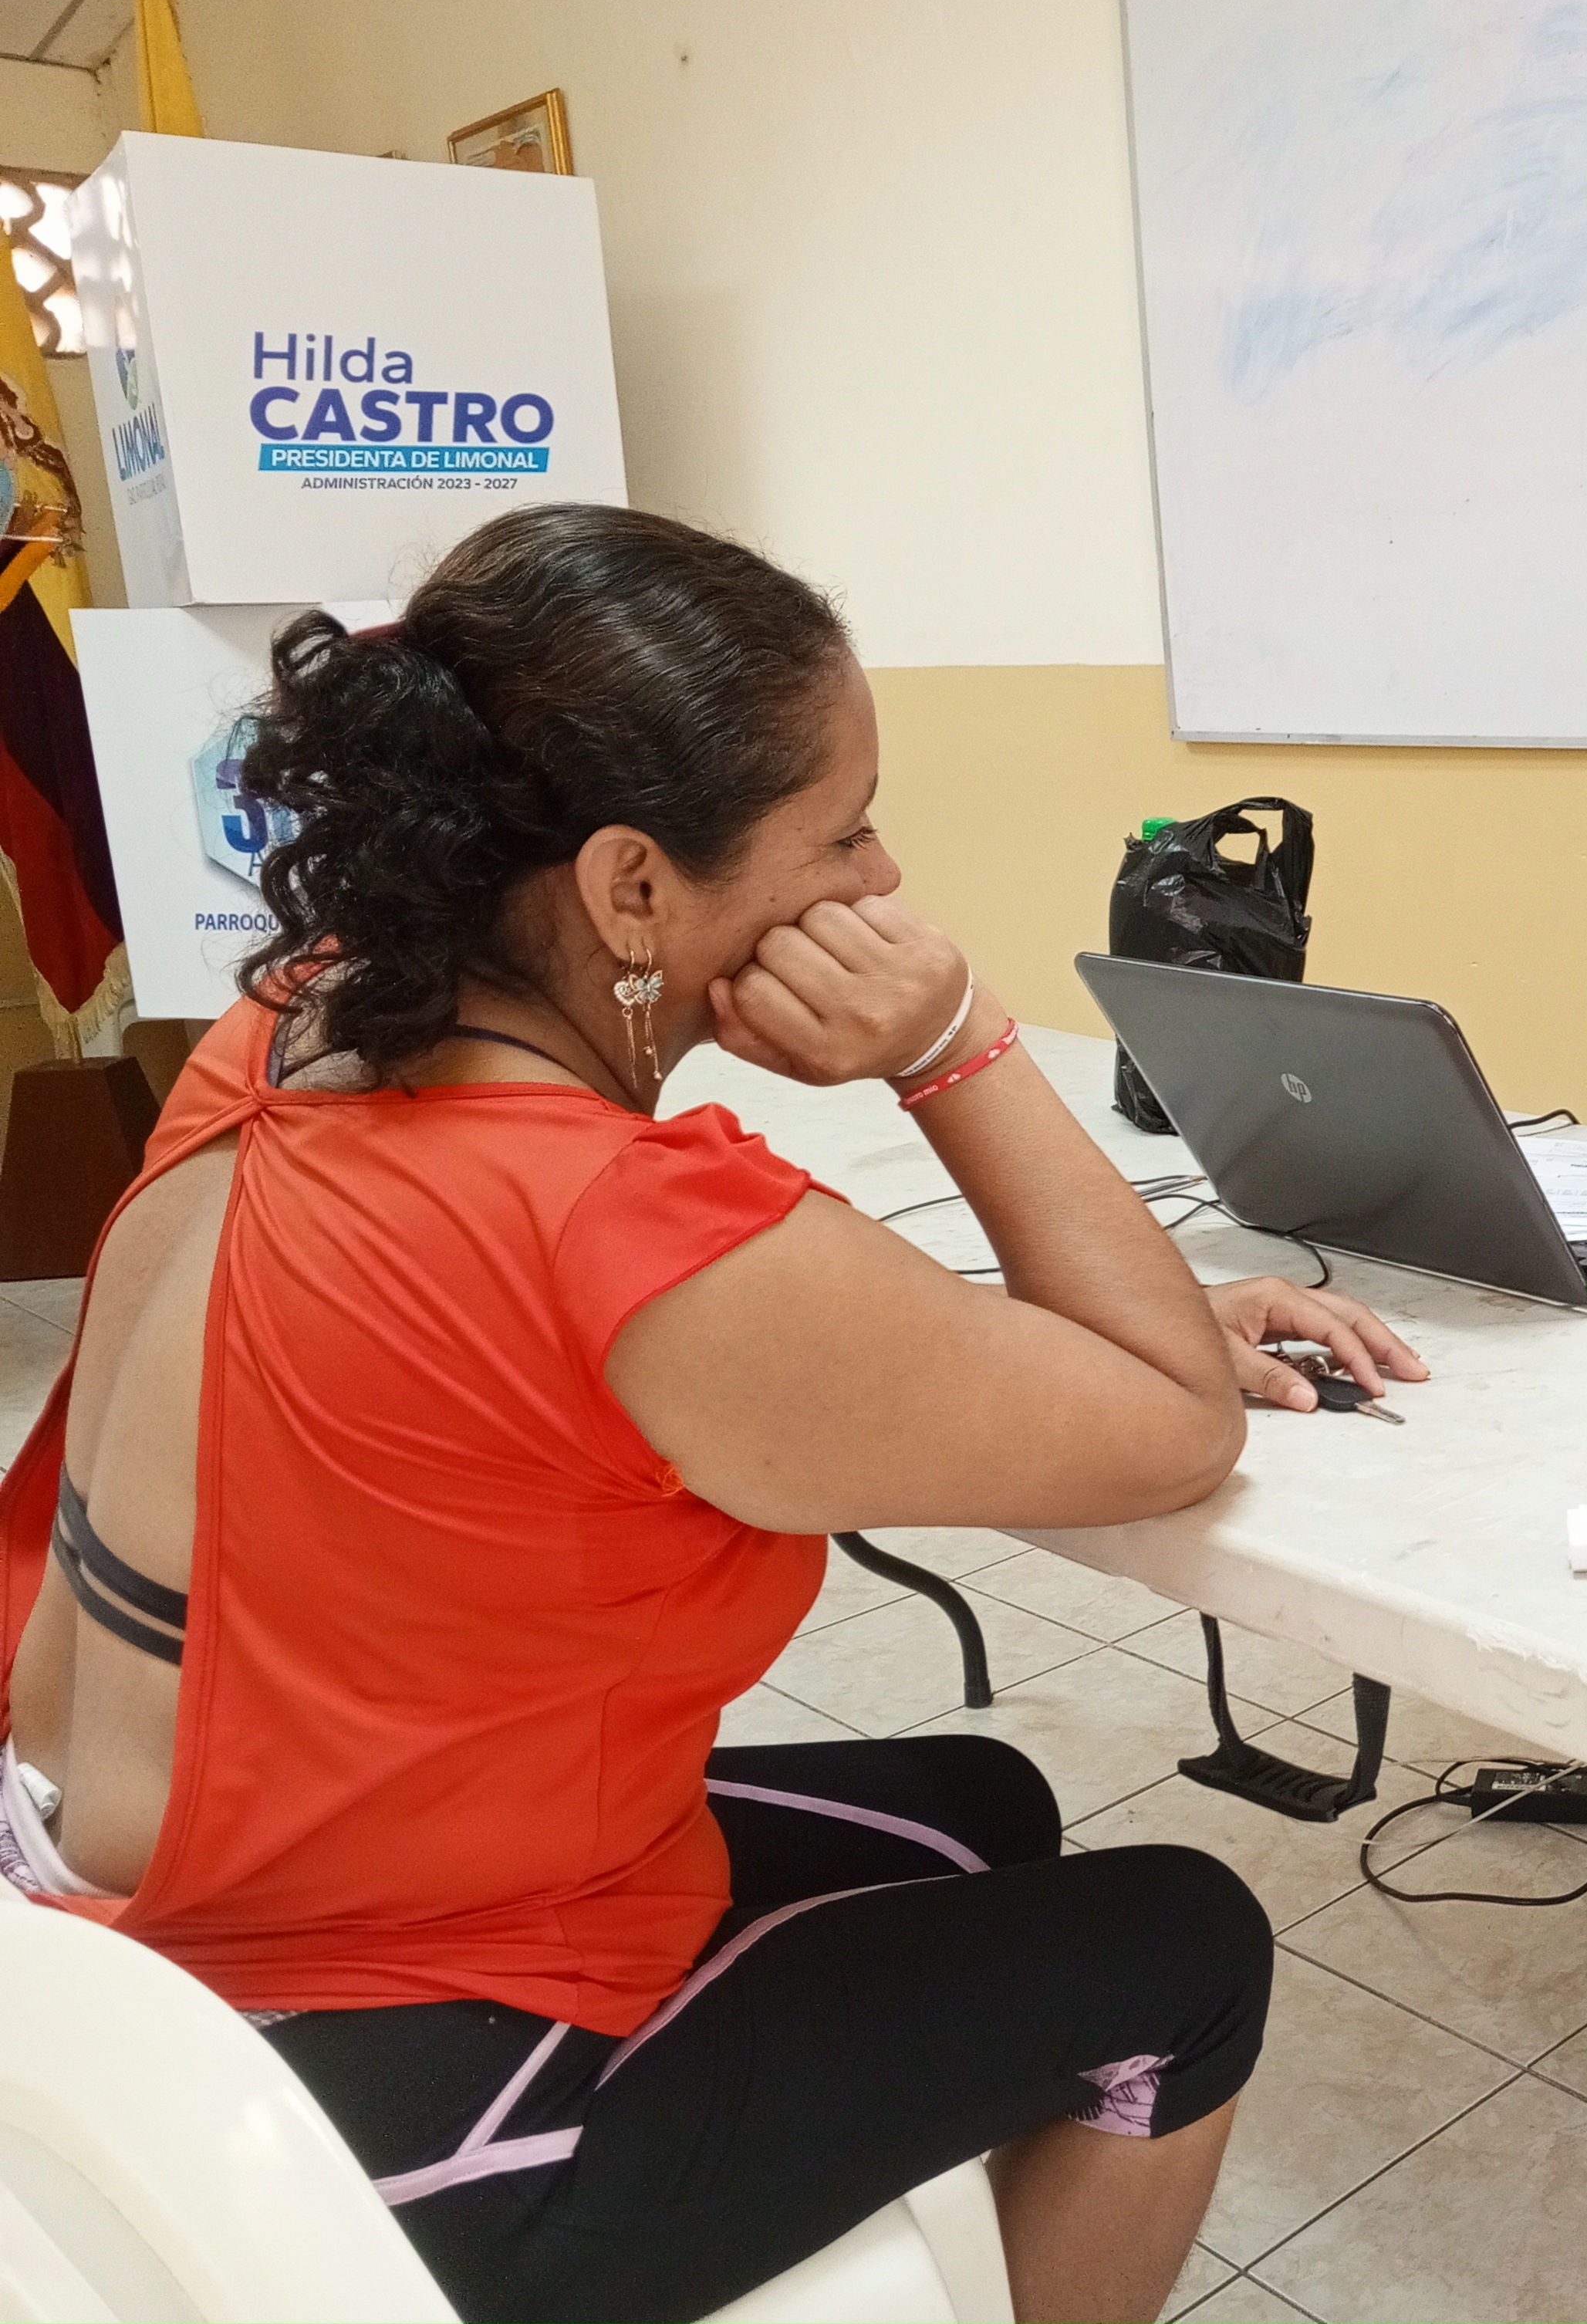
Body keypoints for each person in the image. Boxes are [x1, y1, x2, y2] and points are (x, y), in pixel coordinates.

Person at [0, 502, 1429, 2324]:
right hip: (366, 2102)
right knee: (1187, 1944)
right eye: (841, 832)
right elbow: (1173, 1424)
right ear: (631, 889)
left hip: (111, 1943)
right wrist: (956, 1044)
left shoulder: (296, 1026)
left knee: (984, 1800)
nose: (882, 881)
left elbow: (611, 1347)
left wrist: (1062, 1329)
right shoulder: (635, 1232)